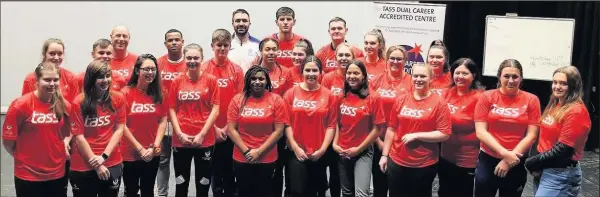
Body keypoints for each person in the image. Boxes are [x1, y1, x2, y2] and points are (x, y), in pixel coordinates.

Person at [4, 62, 79, 197]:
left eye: (55, 80)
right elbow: (8, 141)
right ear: (36, 81)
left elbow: (73, 128)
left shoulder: (64, 105)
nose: (52, 83)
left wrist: (65, 142)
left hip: (57, 173)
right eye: (47, 79)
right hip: (28, 175)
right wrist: (22, 157)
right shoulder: (20, 105)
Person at [379, 63, 452, 197]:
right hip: (397, 161)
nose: (418, 79)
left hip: (424, 164)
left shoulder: (439, 102)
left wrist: (417, 135)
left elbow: (444, 133)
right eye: (415, 76)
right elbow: (391, 128)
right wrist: (384, 155)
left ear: (431, 79)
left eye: (423, 76)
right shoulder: (401, 99)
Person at [473, 59, 541, 197]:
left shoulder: (532, 100)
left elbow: (532, 135)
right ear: (499, 77)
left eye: (515, 76)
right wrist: (504, 154)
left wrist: (509, 160)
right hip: (488, 159)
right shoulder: (487, 96)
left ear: (521, 78)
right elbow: (481, 132)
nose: (511, 80)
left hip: (516, 160)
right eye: (506, 76)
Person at [525, 66, 592, 197]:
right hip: (546, 168)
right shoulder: (555, 103)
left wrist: (532, 162)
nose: (557, 87)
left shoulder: (576, 111)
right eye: (555, 82)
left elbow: (564, 150)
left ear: (573, 86)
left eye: (563, 83)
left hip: (560, 173)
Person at [168, 43, 220, 197]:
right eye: (189, 57)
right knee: (181, 182)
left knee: (203, 183)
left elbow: (215, 109)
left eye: (196, 58)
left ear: (202, 59)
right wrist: (179, 134)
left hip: (204, 139)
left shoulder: (211, 80)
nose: (192, 61)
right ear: (184, 59)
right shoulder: (177, 81)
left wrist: (202, 135)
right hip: (181, 140)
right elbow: (171, 108)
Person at [227, 66, 288, 197]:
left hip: (267, 158)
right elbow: (231, 130)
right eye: (253, 78)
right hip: (242, 157)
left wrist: (259, 152)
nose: (257, 81)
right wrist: (247, 152)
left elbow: (278, 131)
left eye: (261, 78)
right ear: (248, 80)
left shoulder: (276, 100)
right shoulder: (238, 100)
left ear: (267, 81)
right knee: (243, 192)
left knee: (264, 192)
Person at [283, 56, 339, 197]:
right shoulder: (290, 94)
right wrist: (295, 147)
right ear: (302, 72)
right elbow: (286, 123)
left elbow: (331, 125)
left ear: (321, 73)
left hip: (318, 153)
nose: (311, 74)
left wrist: (322, 150)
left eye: (315, 70)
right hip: (296, 152)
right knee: (297, 191)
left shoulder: (329, 95)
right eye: (308, 70)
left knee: (317, 191)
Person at [69, 60, 126, 197]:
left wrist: (104, 156)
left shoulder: (118, 98)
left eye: (107, 76)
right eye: (100, 77)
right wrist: (97, 164)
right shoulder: (78, 102)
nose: (105, 80)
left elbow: (119, 130)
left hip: (111, 161)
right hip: (83, 164)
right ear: (91, 79)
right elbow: (79, 137)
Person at [200, 29, 244, 197]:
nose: (222, 49)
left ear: (230, 47)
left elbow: (240, 101)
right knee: (214, 173)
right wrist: (214, 128)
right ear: (212, 46)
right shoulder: (204, 69)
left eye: (226, 45)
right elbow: (202, 104)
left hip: (231, 129)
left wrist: (227, 128)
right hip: (210, 129)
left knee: (230, 172)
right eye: (219, 45)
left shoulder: (237, 70)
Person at [333, 60, 385, 197]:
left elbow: (377, 129)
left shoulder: (373, 97)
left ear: (364, 76)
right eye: (349, 73)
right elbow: (337, 123)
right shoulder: (341, 96)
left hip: (363, 152)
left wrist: (358, 149)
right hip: (343, 150)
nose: (352, 76)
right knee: (347, 192)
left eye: (356, 73)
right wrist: (334, 144)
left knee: (361, 193)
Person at [120, 54, 168, 197]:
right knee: (131, 190)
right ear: (137, 71)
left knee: (148, 190)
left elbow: (163, 120)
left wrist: (155, 145)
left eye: (153, 69)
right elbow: (122, 124)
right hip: (130, 152)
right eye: (146, 69)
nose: (150, 73)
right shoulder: (125, 93)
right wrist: (140, 149)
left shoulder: (160, 93)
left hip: (152, 151)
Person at [368, 45, 412, 197]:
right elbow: (368, 111)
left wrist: (395, 142)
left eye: (399, 59)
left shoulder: (412, 82)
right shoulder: (376, 80)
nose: (395, 61)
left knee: (398, 187)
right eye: (392, 58)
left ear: (405, 61)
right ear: (387, 59)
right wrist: (379, 142)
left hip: (400, 142)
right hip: (377, 138)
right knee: (379, 185)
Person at [437, 58, 485, 197]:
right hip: (446, 155)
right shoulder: (446, 93)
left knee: (463, 192)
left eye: (465, 73)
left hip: (468, 158)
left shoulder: (480, 98)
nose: (460, 77)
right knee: (444, 191)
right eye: (457, 73)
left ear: (474, 75)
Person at [256, 37, 293, 197]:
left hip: (279, 129)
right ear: (261, 51)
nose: (271, 53)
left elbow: (289, 100)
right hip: (257, 128)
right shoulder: (254, 71)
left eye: (274, 49)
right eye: (267, 49)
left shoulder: (286, 72)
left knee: (278, 171)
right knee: (259, 171)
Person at [156, 28, 187, 197]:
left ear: (183, 42)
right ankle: (162, 194)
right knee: (162, 161)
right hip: (162, 123)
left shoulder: (189, 63)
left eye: (177, 39)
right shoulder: (158, 64)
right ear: (165, 44)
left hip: (183, 124)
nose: (174, 42)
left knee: (182, 163)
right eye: (170, 40)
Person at [22, 38, 78, 103]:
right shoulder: (31, 79)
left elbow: (74, 108)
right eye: (52, 54)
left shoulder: (71, 77)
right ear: (44, 54)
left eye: (60, 54)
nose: (56, 57)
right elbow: (26, 104)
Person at [228, 9, 261, 74]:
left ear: (249, 23)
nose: (241, 24)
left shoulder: (258, 45)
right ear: (233, 24)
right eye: (237, 21)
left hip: (251, 83)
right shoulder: (225, 45)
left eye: (244, 21)